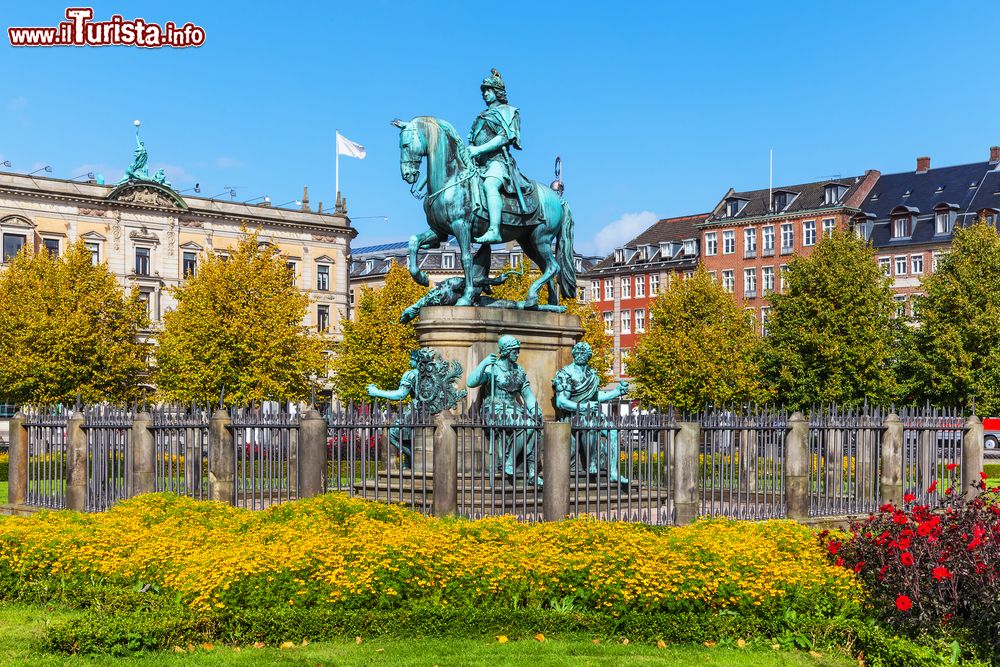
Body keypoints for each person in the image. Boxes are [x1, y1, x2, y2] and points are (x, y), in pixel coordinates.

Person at [466, 335, 542, 486]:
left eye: (518, 351)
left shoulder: (519, 371)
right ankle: (509, 463)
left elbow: (528, 396)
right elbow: (470, 382)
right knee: (525, 424)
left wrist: (535, 409)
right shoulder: (492, 369)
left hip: (512, 410)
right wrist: (483, 363)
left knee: (533, 425)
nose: (517, 354)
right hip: (494, 409)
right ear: (506, 351)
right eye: (515, 351)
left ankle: (529, 471)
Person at [553, 342, 630, 484]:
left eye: (584, 353)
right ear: (574, 354)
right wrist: (583, 407)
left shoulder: (592, 374)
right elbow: (561, 402)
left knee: (612, 430)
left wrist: (616, 392)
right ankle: (591, 463)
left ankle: (613, 472)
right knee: (589, 423)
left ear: (589, 356)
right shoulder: (566, 373)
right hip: (572, 415)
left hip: (591, 413)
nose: (581, 355)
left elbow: (595, 397)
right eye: (578, 352)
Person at [468, 69, 524, 245]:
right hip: (478, 164)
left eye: (488, 90)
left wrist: (479, 150)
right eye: (483, 91)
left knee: (490, 185)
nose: (485, 94)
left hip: (498, 161)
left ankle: (494, 229)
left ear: (497, 92)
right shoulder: (480, 116)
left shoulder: (509, 112)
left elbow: (504, 137)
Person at [366, 349, 431, 468]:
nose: (410, 362)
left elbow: (401, 394)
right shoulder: (429, 374)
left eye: (412, 359)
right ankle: (409, 462)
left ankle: (414, 457)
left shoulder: (411, 374)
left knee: (393, 433)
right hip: (427, 412)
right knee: (410, 437)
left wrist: (377, 392)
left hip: (416, 413)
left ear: (417, 361)